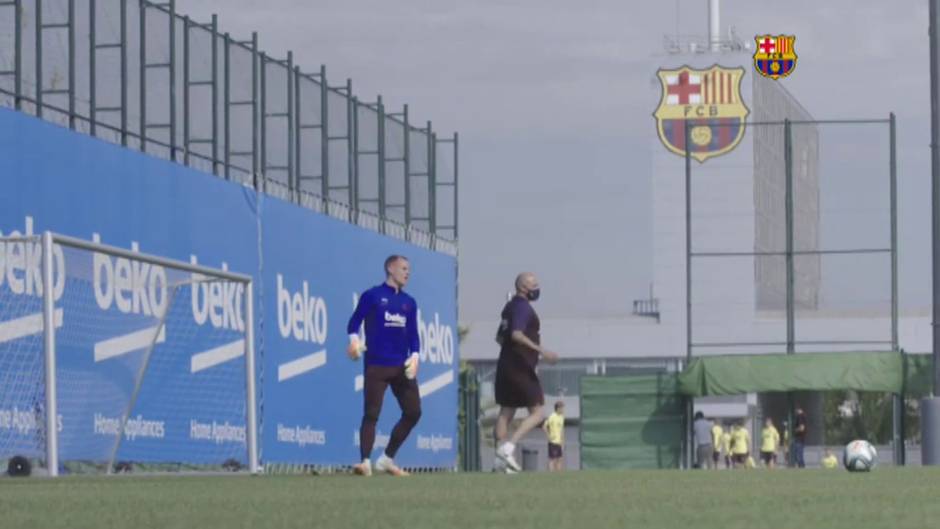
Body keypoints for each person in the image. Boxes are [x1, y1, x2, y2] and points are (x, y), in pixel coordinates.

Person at [346, 255, 422, 477]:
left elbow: (413, 334)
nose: (407, 273)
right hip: (376, 365)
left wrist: (415, 356)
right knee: (371, 413)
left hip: (401, 367)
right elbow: (353, 323)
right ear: (390, 268)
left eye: (409, 269)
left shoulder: (409, 302)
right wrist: (354, 341)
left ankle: (387, 459)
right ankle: (365, 462)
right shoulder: (372, 295)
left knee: (414, 412)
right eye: (403, 268)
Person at [493, 272, 559, 472]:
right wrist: (541, 350)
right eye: (533, 285)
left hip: (505, 364)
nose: (537, 288)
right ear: (522, 287)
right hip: (521, 367)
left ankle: (499, 461)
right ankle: (509, 447)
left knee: (506, 411)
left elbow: (500, 338)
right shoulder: (523, 307)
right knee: (538, 413)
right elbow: (516, 334)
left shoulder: (509, 307)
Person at [542, 401, 566, 471]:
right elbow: (544, 427)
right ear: (558, 408)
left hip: (559, 442)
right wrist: (548, 436)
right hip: (553, 442)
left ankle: (558, 475)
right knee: (552, 459)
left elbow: (562, 429)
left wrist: (563, 441)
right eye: (562, 408)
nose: (563, 410)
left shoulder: (562, 417)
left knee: (560, 459)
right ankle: (551, 475)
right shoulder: (552, 416)